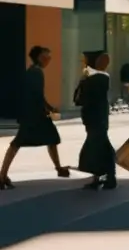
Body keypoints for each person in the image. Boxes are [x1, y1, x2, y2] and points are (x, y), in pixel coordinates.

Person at [0, 46, 69, 189]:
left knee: (49, 138)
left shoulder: (32, 71)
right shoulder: (36, 73)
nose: (48, 59)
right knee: (24, 142)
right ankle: (2, 175)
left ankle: (2, 175)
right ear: (39, 58)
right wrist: (48, 109)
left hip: (30, 113)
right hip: (34, 115)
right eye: (46, 57)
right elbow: (38, 95)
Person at [77, 50, 117, 190]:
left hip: (95, 118)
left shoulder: (94, 78)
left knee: (98, 148)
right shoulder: (100, 78)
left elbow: (79, 99)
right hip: (97, 118)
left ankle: (105, 177)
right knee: (101, 147)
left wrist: (83, 80)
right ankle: (104, 177)